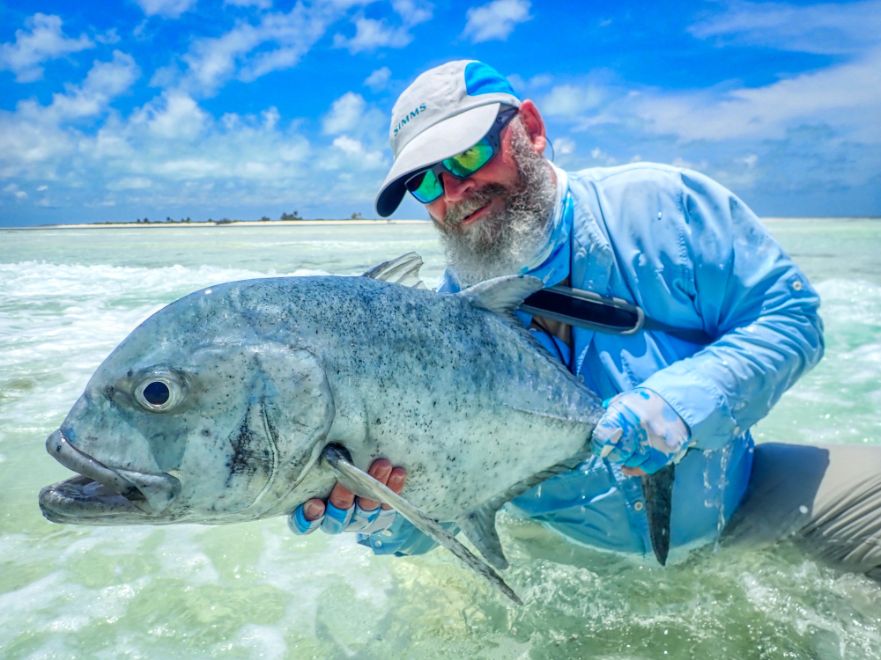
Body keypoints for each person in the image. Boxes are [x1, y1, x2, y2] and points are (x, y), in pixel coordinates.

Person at [290, 60, 881, 579]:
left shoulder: (663, 207)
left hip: (742, 499)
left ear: (532, 130)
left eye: (468, 153)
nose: (454, 190)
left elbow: (790, 316)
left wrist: (683, 405)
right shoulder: (435, 327)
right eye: (424, 181)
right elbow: (436, 508)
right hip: (568, 554)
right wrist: (378, 516)